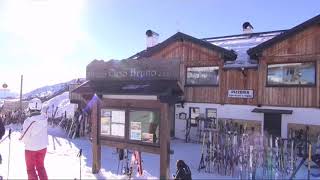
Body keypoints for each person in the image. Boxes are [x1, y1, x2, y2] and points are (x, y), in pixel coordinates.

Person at [20, 98, 48, 180]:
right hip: (43, 147)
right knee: (41, 167)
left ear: (30, 107)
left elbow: (24, 137)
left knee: (31, 169)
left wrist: (21, 136)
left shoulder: (28, 121)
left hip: (30, 149)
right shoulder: (44, 118)